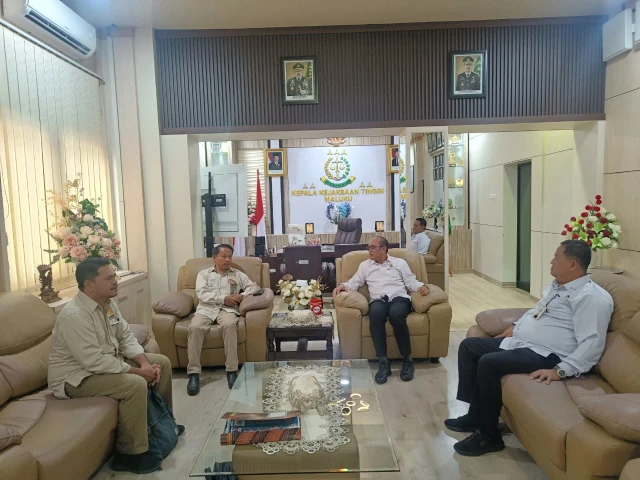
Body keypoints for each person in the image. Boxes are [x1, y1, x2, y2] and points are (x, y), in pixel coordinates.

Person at [445, 240, 613, 456]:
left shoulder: (591, 297)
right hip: (526, 344)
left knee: (489, 363)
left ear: (572, 264)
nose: (551, 262)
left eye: (556, 257)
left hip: (549, 354)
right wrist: (516, 326)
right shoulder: (558, 287)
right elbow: (538, 311)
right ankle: (475, 416)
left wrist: (560, 371)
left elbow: (592, 343)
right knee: (470, 346)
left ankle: (489, 435)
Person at [48, 257, 181, 475]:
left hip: (103, 365)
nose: (115, 281)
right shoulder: (75, 315)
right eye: (109, 278)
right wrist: (139, 372)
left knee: (162, 363)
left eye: (115, 276)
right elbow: (94, 361)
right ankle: (132, 453)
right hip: (76, 378)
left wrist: (145, 363)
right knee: (135, 384)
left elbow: (125, 337)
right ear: (89, 284)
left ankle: (163, 425)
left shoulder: (108, 305)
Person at [333, 236, 430, 384]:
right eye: (369, 247)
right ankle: (384, 362)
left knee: (395, 315)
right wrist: (343, 286)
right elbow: (355, 282)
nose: (369, 250)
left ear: (383, 249)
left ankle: (407, 360)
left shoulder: (399, 263)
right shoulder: (365, 265)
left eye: (373, 247)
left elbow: (411, 281)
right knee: (376, 315)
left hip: (399, 298)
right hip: (378, 300)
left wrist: (422, 287)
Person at [187, 244, 260, 395]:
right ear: (214, 258)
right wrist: (223, 299)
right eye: (224, 256)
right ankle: (193, 373)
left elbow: (254, 287)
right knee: (195, 327)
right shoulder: (204, 274)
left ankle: (231, 370)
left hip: (228, 310)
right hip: (206, 309)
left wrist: (241, 296)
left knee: (229, 325)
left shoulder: (237, 274)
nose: (228, 260)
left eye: (230, 257)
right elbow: (202, 294)